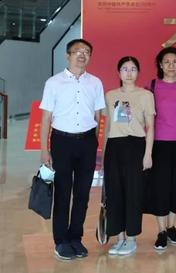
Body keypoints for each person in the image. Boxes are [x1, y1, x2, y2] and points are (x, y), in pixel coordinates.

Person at [39, 39, 105, 260]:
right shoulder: (53, 83)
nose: (82, 54)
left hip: (87, 142)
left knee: (83, 193)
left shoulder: (95, 83)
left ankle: (75, 237)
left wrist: (93, 142)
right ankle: (61, 241)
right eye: (77, 51)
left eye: (86, 51)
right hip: (62, 142)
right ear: (68, 55)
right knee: (63, 192)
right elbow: (46, 117)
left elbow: (98, 115)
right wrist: (44, 149)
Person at [144, 46, 176, 250]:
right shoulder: (152, 86)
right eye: (167, 62)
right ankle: (161, 231)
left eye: (175, 62)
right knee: (160, 187)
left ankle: (172, 226)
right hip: (159, 144)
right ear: (160, 64)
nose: (171, 65)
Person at [103, 56, 155, 255]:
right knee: (115, 193)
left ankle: (131, 238)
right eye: (125, 69)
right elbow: (108, 126)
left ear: (138, 72)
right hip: (114, 147)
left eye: (133, 69)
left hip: (136, 146)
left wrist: (148, 154)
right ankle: (119, 238)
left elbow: (150, 127)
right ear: (119, 72)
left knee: (133, 193)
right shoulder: (110, 95)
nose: (129, 72)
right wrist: (105, 154)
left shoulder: (145, 95)